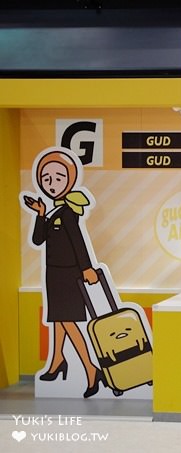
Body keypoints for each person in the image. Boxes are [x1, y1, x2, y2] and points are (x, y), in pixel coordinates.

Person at [22, 149, 106, 398]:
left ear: (69, 180)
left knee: (68, 321)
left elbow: (78, 241)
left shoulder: (69, 212)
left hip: (70, 275)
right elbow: (38, 239)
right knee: (58, 319)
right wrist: (38, 213)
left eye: (58, 178)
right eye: (46, 179)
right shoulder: (51, 213)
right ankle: (58, 359)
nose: (52, 183)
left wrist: (87, 267)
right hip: (53, 275)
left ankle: (91, 370)